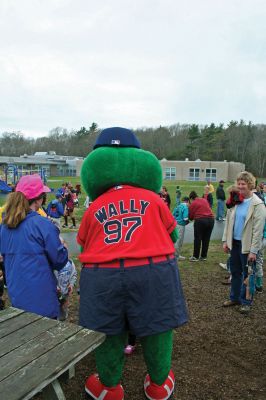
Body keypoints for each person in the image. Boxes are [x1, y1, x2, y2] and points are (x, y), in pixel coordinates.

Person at [0, 174, 68, 318]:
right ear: (38, 199)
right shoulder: (42, 224)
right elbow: (59, 261)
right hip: (42, 302)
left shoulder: (5, 226)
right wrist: (63, 246)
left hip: (17, 298)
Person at [222, 171, 266, 314]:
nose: (240, 186)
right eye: (238, 183)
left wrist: (254, 250)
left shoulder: (257, 204)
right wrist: (225, 241)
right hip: (234, 243)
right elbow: (228, 222)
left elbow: (258, 231)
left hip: (247, 246)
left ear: (250, 185)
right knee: (235, 272)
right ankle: (234, 298)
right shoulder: (235, 200)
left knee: (249, 274)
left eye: (243, 184)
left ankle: (246, 301)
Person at [188, 191, 214, 261]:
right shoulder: (204, 200)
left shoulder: (193, 203)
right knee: (206, 239)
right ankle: (203, 256)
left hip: (200, 220)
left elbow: (190, 216)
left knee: (198, 238)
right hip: (211, 220)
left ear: (191, 198)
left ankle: (195, 256)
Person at [172, 196, 189, 260]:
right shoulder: (185, 207)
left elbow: (173, 215)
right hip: (181, 225)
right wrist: (188, 222)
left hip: (175, 224)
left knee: (175, 239)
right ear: (187, 201)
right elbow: (185, 218)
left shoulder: (178, 206)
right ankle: (176, 256)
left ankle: (175, 254)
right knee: (179, 240)